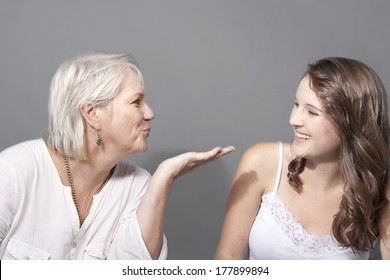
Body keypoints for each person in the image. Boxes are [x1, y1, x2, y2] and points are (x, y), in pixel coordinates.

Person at [0, 52, 235, 260]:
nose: (150, 113)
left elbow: (134, 272)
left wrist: (163, 177)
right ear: (92, 113)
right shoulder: (13, 171)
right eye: (136, 102)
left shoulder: (138, 185)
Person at [215, 57, 390, 260]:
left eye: (312, 112)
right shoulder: (261, 162)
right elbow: (227, 258)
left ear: (350, 123)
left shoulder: (376, 188)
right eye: (296, 104)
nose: (294, 120)